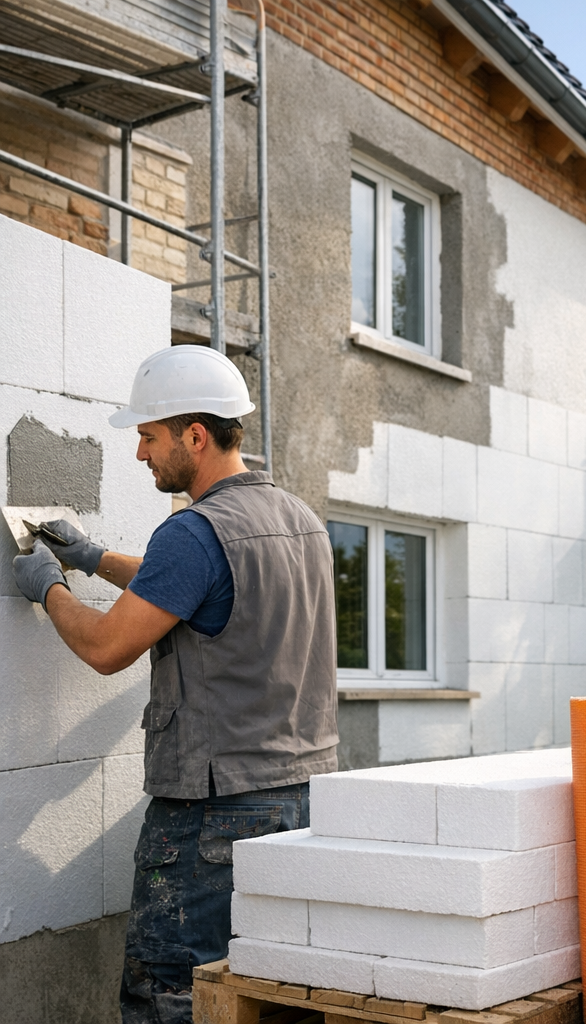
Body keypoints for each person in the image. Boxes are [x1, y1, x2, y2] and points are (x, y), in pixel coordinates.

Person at [11, 345, 340, 1024]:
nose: (141, 456)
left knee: (172, 996)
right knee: (266, 997)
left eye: (148, 437)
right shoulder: (299, 521)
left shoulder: (195, 530)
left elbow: (107, 648)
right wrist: (97, 558)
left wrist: (49, 587)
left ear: (195, 435)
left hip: (210, 817)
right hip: (300, 804)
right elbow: (192, 592)